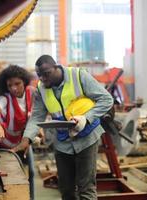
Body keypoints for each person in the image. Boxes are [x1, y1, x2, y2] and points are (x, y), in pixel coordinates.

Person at [12, 55, 114, 200]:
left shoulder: (78, 76)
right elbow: (37, 116)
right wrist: (26, 140)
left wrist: (86, 118)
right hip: (62, 142)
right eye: (39, 75)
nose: (43, 79)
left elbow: (106, 99)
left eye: (46, 74)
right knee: (66, 190)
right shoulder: (41, 88)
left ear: (56, 68)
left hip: (87, 138)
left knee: (86, 188)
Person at [0, 64, 35, 200]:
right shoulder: (5, 98)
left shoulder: (32, 93)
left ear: (25, 82)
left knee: (30, 173)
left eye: (17, 83)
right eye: (10, 85)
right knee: (7, 176)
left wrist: (33, 136)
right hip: (4, 143)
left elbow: (37, 114)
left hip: (22, 142)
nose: (14, 88)